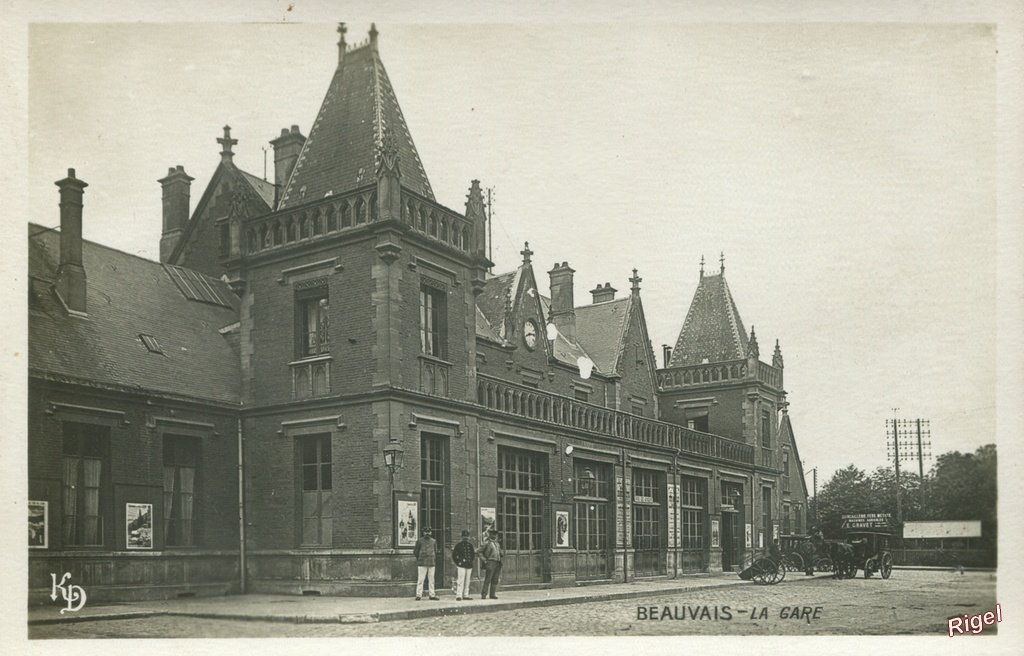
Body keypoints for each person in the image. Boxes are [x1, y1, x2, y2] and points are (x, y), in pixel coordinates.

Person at [413, 527, 439, 601]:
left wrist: (432, 558)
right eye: (425, 532)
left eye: (429, 532)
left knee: (431, 580)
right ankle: (418, 595)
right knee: (421, 579)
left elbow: (435, 551)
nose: (427, 533)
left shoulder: (434, 541)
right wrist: (420, 559)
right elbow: (416, 552)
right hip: (422, 563)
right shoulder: (419, 541)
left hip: (431, 562)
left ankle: (432, 595)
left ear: (431, 532)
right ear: (423, 532)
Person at [452, 529, 476, 601]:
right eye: (464, 536)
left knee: (467, 581)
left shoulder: (470, 545)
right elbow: (454, 555)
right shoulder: (458, 546)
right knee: (460, 580)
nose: (465, 538)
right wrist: (458, 562)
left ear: (469, 537)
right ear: (461, 537)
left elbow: (472, 555)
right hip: (461, 565)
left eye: (467, 536)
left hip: (469, 565)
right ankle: (458, 595)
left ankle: (466, 595)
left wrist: (470, 561)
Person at [479, 528, 503, 599]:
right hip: (490, 562)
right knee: (488, 579)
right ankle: (484, 594)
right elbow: (479, 552)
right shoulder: (486, 543)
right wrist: (484, 560)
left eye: (495, 534)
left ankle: (492, 594)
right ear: (489, 534)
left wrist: (501, 553)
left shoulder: (497, 543)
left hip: (497, 563)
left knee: (495, 579)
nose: (494, 536)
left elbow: (500, 553)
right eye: (493, 534)